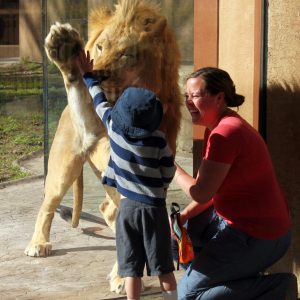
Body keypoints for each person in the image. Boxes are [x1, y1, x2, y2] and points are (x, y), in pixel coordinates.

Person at [172, 67, 295, 299]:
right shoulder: (217, 127)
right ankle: (222, 278)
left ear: (219, 98)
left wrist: (171, 166)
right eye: (186, 96)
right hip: (235, 223)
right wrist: (183, 217)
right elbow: (208, 190)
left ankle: (277, 287)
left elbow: (200, 193)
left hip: (260, 236)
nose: (188, 102)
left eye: (195, 96)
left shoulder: (226, 133)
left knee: (189, 296)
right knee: (175, 235)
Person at [76, 50, 177, 300]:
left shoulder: (114, 130)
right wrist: (159, 186)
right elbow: (168, 171)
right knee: (163, 267)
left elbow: (100, 103)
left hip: (127, 208)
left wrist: (88, 76)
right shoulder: (159, 140)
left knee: (131, 269)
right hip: (154, 209)